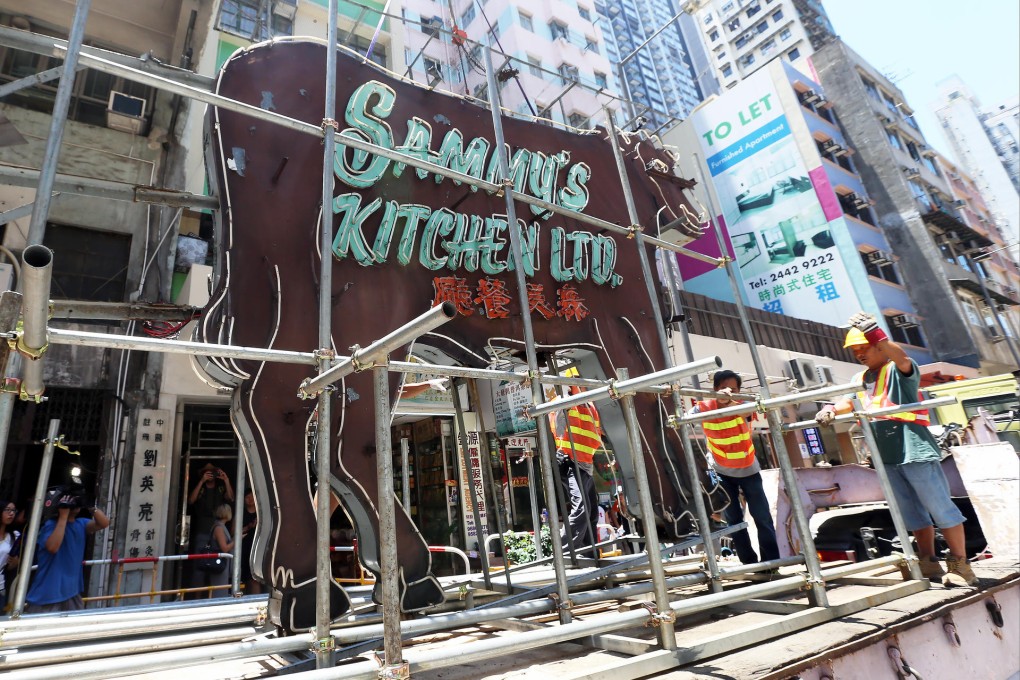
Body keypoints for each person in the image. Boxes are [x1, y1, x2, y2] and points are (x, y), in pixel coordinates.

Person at [814, 312, 978, 587]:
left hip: (913, 446)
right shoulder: (861, 377)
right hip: (886, 453)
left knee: (939, 507)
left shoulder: (898, 369)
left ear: (879, 345)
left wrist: (874, 331)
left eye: (863, 348)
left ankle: (960, 565)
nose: (859, 354)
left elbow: (902, 359)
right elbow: (850, 401)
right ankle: (928, 561)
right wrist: (830, 409)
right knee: (910, 511)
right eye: (855, 351)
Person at [690, 369, 780, 566]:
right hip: (722, 471)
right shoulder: (704, 406)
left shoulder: (743, 403)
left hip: (748, 469)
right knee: (734, 521)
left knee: (762, 516)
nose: (728, 392)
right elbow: (685, 418)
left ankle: (771, 563)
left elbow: (747, 410)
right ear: (714, 389)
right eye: (723, 388)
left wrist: (729, 401)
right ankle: (749, 562)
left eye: (733, 389)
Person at [25, 490, 109, 613]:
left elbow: (104, 523)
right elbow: (53, 547)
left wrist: (91, 507)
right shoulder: (50, 525)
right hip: (48, 594)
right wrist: (63, 516)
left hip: (72, 592)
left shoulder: (81, 524)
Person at [547, 385, 602, 556]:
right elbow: (558, 429)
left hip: (586, 464)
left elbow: (595, 434)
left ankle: (590, 553)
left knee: (591, 511)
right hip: (570, 462)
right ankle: (563, 553)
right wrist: (560, 451)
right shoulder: (564, 401)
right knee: (581, 509)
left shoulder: (588, 404)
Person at [194, 503, 234, 597]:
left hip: (223, 561)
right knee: (219, 588)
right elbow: (224, 548)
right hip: (220, 561)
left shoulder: (220, 526)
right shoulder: (219, 528)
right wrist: (236, 540)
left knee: (221, 587)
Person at [240, 490, 261, 595]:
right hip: (244, 547)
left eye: (252, 497)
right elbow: (233, 532)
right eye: (247, 497)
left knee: (255, 577)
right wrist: (249, 526)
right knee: (243, 577)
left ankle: (256, 603)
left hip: (258, 547)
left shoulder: (261, 513)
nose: (250, 499)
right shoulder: (240, 513)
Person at [0, 499, 19, 609]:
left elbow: (11, 564)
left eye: (13, 510)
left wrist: (15, 563)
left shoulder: (14, 536)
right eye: (7, 510)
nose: (11, 513)